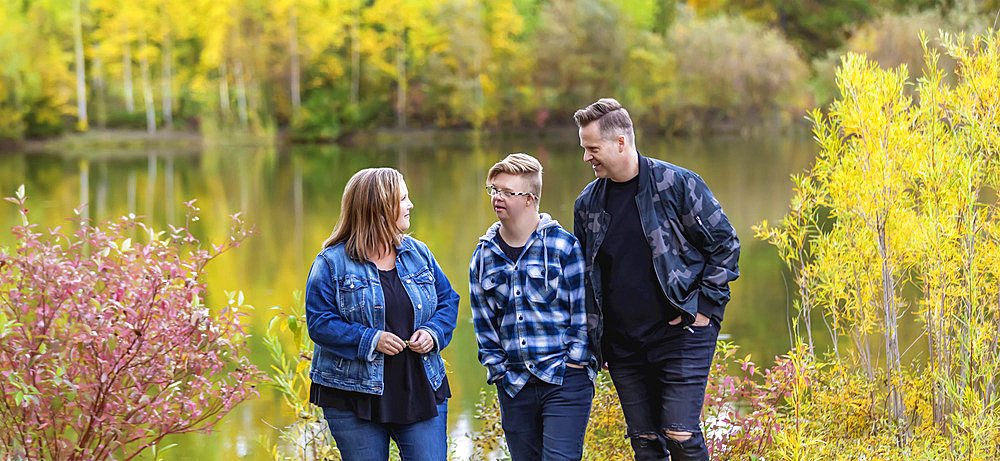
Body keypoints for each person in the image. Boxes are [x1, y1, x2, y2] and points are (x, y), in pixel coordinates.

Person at [572, 98, 740, 461]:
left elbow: (725, 244)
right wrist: (595, 339)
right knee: (646, 442)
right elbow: (588, 277)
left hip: (682, 332)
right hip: (623, 344)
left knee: (680, 434)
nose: (587, 157)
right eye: (585, 149)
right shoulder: (587, 203)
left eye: (592, 149)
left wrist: (704, 308)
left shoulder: (676, 184)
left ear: (620, 142)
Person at [305, 167, 459, 461]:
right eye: (403, 199)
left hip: (420, 385)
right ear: (379, 209)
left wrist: (433, 333)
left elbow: (448, 301)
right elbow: (319, 323)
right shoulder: (330, 263)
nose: (410, 205)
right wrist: (370, 339)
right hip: (353, 395)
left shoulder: (419, 253)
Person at [469, 153, 594, 461]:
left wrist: (575, 364)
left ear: (529, 199)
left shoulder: (564, 247)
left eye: (506, 192)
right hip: (515, 384)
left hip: (564, 379)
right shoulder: (483, 256)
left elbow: (582, 314)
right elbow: (484, 322)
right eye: (494, 190)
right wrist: (498, 371)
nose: (497, 198)